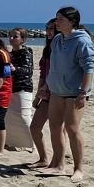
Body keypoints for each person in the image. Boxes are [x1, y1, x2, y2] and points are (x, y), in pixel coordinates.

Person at [41, 6, 94, 180]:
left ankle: (78, 169)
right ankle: (59, 165)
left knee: (72, 129)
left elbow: (89, 68)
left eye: (61, 19)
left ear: (72, 21)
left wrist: (83, 92)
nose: (56, 22)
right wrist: (46, 85)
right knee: (55, 127)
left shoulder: (82, 41)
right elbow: (54, 67)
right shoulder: (57, 39)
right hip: (56, 90)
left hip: (75, 91)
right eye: (56, 18)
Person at [28, 19, 59, 168]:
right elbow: (43, 74)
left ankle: (58, 162)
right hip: (46, 94)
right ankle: (43, 158)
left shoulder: (61, 49)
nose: (48, 31)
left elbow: (56, 73)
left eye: (52, 28)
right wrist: (37, 96)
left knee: (58, 130)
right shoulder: (48, 49)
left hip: (59, 93)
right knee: (34, 127)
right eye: (47, 28)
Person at [5, 27, 36, 151]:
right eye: (10, 36)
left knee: (24, 116)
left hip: (23, 87)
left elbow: (28, 71)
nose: (11, 38)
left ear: (23, 39)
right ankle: (10, 142)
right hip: (10, 88)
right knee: (9, 117)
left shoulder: (26, 52)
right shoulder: (9, 54)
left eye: (15, 36)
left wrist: (14, 68)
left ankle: (35, 144)